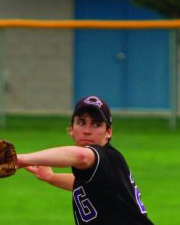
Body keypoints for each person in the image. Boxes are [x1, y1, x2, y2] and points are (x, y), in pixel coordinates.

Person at [17, 95, 154, 224]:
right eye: (81, 122)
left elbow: (81, 156)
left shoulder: (108, 157)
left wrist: (21, 160)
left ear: (108, 132)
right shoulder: (100, 170)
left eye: (96, 124)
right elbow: (84, 184)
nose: (87, 130)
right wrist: (51, 177)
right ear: (71, 129)